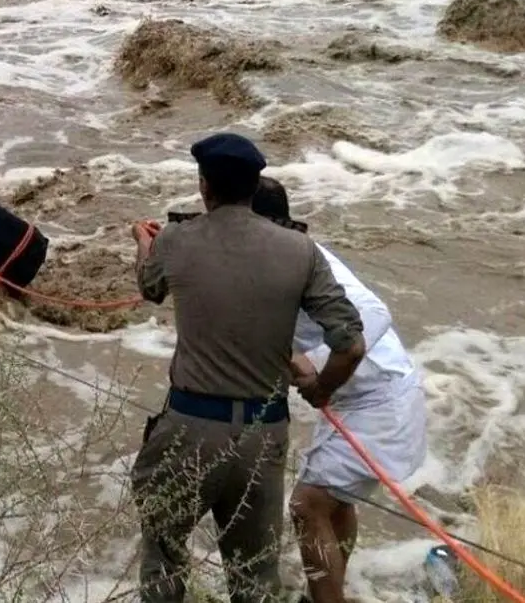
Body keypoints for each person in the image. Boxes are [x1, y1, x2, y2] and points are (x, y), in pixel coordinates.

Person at [129, 132, 367, 603]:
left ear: (204, 185)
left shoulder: (176, 239)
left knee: (164, 567)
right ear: (254, 184)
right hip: (263, 436)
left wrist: (142, 242)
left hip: (188, 430)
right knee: (254, 579)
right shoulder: (301, 251)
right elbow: (351, 344)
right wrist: (320, 388)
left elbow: (149, 287)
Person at [252, 177, 428, 603]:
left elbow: (372, 314)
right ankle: (331, 592)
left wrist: (323, 381)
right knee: (334, 503)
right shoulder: (268, 257)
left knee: (307, 505)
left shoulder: (308, 261)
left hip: (379, 399)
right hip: (359, 397)